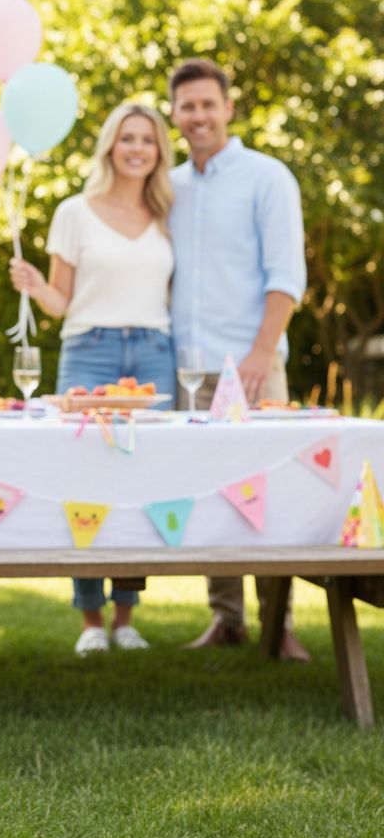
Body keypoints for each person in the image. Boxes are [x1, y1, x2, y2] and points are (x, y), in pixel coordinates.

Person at [10, 102, 176, 655]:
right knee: (85, 475)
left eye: (147, 140)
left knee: (142, 479)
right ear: (111, 146)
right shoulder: (74, 212)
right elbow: (61, 302)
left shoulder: (167, 213)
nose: (136, 148)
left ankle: (126, 616)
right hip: (90, 350)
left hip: (154, 350)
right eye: (127, 138)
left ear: (158, 151)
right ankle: (89, 622)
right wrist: (34, 284)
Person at [168, 57, 310, 662]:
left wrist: (259, 353)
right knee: (206, 496)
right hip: (187, 368)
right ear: (175, 115)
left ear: (228, 108)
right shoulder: (167, 186)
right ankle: (226, 618)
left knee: (265, 494)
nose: (198, 116)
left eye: (208, 104)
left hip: (250, 365)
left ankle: (278, 624)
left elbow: (287, 275)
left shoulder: (266, 177)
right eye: (187, 106)